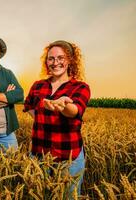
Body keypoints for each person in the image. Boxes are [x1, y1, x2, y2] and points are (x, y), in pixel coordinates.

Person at [23, 40, 91, 197]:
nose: (55, 63)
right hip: (39, 155)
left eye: (61, 58)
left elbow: (75, 110)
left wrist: (63, 106)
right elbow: (28, 106)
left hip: (69, 157)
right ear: (46, 62)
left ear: (70, 60)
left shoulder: (80, 87)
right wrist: (40, 117)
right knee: (40, 195)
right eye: (51, 59)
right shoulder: (38, 86)